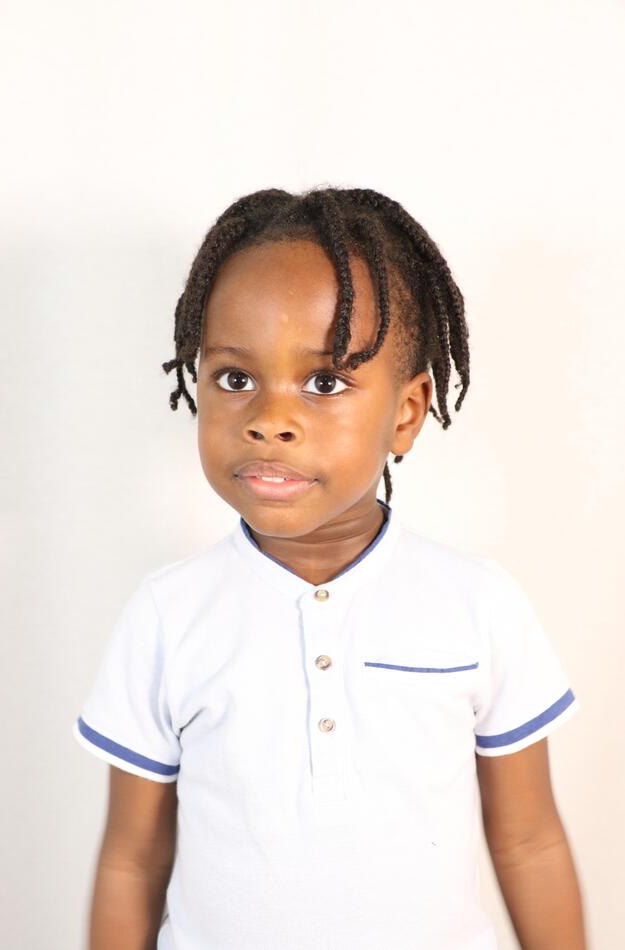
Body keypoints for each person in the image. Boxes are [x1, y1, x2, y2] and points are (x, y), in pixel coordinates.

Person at [72, 186, 586, 949]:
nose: (269, 420)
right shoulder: (168, 614)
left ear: (405, 413)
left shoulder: (476, 603)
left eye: (324, 383)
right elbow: (133, 860)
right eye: (234, 378)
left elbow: (528, 841)